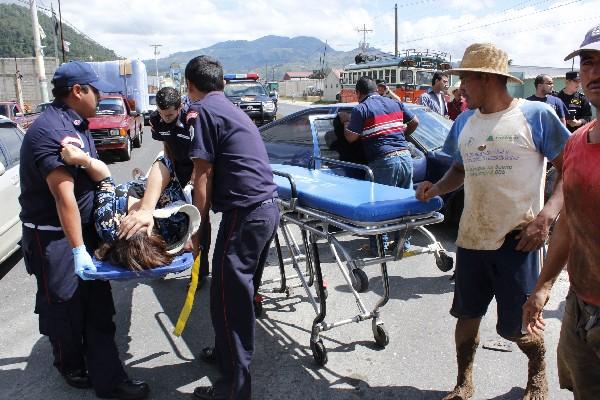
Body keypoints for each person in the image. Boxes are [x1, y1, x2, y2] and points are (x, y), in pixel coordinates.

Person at [415, 43, 570, 399]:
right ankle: (463, 382)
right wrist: (435, 188)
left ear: (486, 78)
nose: (460, 88)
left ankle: (536, 371)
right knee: (466, 316)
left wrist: (547, 216)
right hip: (471, 238)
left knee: (519, 328)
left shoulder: (537, 115)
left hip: (519, 240)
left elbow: (569, 171)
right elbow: (459, 169)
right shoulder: (464, 121)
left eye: (465, 79)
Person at [18, 61, 149, 399]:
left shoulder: (78, 125)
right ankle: (69, 363)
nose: (102, 96)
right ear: (78, 91)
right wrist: (78, 249)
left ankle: (109, 379)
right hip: (55, 236)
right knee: (63, 305)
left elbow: (93, 178)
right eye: (97, 90)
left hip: (80, 231)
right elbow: (64, 199)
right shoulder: (50, 130)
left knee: (97, 306)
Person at [185, 55, 280, 400]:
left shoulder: (202, 111)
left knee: (227, 301)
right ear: (222, 84)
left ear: (190, 87)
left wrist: (195, 232)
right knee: (235, 296)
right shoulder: (231, 108)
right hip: (266, 209)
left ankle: (233, 391)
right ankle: (227, 355)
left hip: (246, 213)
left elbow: (202, 175)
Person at [522, 24, 600, 399]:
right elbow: (571, 222)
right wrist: (543, 287)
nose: (595, 71)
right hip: (580, 305)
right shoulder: (577, 143)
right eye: (588, 62)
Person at [59, 143, 199, 271]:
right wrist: (147, 209)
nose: (136, 221)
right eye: (143, 225)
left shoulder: (107, 223)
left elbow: (104, 178)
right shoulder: (173, 224)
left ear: (124, 223)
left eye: (133, 224)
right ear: (156, 233)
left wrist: (84, 160)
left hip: (129, 191)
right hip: (163, 189)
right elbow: (165, 161)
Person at [344, 76, 419, 254]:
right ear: (377, 89)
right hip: (406, 158)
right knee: (404, 205)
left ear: (358, 93)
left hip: (384, 161)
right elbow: (415, 122)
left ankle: (378, 247)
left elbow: (350, 137)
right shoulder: (395, 103)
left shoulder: (361, 109)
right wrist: (401, 137)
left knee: (378, 206)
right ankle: (403, 245)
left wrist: (346, 122)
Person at [148, 87, 211, 285]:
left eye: (170, 115)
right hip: (176, 170)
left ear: (180, 107)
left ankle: (199, 272)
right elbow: (166, 142)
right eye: (162, 113)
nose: (166, 118)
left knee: (199, 222)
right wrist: (168, 167)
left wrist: (193, 181)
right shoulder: (157, 120)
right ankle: (167, 261)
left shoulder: (191, 119)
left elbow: (200, 155)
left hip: (196, 170)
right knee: (168, 218)